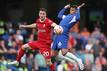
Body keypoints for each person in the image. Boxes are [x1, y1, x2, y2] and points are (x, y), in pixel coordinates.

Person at [51, 3, 85, 70]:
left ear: (75, 11)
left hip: (63, 33)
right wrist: (65, 8)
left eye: (73, 10)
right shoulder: (66, 16)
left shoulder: (75, 16)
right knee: (53, 54)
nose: (71, 11)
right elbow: (59, 15)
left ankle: (78, 60)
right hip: (58, 34)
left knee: (64, 52)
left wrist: (78, 9)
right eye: (71, 10)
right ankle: (72, 61)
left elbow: (78, 17)